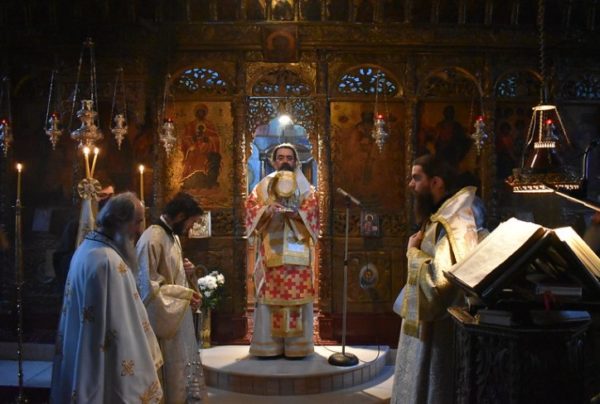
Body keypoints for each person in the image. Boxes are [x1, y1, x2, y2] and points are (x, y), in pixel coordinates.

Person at [391, 154, 486, 404]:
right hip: (433, 323)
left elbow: (439, 283)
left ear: (436, 182)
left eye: (416, 178)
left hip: (439, 328)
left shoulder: (451, 221)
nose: (411, 184)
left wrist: (412, 253)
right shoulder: (443, 214)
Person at [50, 192, 163, 403]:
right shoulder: (108, 262)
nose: (140, 230)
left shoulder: (86, 248)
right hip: (104, 371)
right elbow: (123, 326)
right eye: (138, 222)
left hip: (85, 357)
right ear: (120, 221)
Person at [245, 143, 319, 358]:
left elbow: (313, 212)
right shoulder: (263, 186)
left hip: (298, 254)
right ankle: (268, 346)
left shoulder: (306, 187)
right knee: (270, 298)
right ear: (274, 161)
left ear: (296, 161)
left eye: (289, 157)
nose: (285, 161)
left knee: (298, 298)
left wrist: (297, 214)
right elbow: (251, 209)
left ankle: (298, 347)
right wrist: (267, 210)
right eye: (281, 157)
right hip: (272, 252)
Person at [136, 192, 206, 403]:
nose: (190, 229)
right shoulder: (152, 238)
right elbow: (147, 288)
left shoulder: (172, 237)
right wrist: (184, 296)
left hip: (176, 318)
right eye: (191, 223)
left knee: (179, 370)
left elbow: (173, 275)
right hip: (162, 321)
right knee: (167, 371)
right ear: (180, 216)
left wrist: (189, 274)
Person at [53, 182, 115, 291]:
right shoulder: (75, 225)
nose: (108, 201)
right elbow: (61, 259)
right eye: (103, 196)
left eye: (111, 196)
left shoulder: (114, 226)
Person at [181, 103, 221, 189]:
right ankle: (188, 181)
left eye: (202, 112)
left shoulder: (209, 125)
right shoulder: (191, 125)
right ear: (196, 113)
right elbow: (185, 138)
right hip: (194, 149)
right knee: (191, 157)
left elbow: (216, 138)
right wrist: (193, 139)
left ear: (205, 113)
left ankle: (206, 182)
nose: (200, 114)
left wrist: (209, 139)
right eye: (199, 112)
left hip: (207, 150)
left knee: (207, 160)